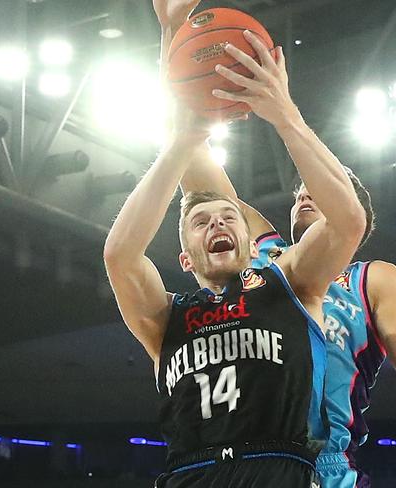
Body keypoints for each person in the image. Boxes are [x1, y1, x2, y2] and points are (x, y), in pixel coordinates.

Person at [156, 2, 396, 487]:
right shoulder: (260, 252)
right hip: (238, 458)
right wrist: (172, 35)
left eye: (318, 187)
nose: (304, 191)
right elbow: (190, 154)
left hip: (328, 464)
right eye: (298, 192)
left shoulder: (374, 277)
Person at [105, 7, 366, 488]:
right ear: (185, 258)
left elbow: (348, 222)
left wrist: (285, 116)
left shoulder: (289, 285)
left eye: (229, 217)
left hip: (278, 467)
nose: (217, 222)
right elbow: (120, 256)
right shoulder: (165, 318)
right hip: (191, 473)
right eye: (200, 221)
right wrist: (182, 139)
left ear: (251, 246)